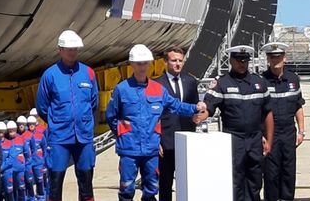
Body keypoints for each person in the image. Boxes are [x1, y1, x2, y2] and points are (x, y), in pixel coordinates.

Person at [106, 44, 205, 201]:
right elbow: (111, 116)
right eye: (139, 63)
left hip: (151, 150)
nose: (142, 67)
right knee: (126, 189)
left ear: (150, 64)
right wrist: (122, 135)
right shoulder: (122, 89)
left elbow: (176, 106)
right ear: (132, 64)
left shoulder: (157, 89)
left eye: (145, 63)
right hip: (129, 151)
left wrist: (195, 107)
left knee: (151, 190)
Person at [202, 45, 274, 201]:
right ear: (231, 60)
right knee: (235, 181)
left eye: (245, 60)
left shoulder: (260, 83)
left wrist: (269, 140)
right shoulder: (222, 83)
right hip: (233, 140)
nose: (242, 63)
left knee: (255, 181)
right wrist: (201, 114)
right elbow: (209, 107)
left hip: (255, 139)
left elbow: (267, 112)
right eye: (238, 60)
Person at [36, 30, 97, 201]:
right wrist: (58, 121)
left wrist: (81, 120)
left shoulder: (88, 73)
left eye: (75, 49)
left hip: (83, 137)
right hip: (59, 138)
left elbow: (94, 103)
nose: (72, 52)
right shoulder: (50, 75)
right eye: (69, 49)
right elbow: (42, 106)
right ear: (60, 50)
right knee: (55, 183)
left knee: (86, 182)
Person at [260, 42, 305, 201]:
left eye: (278, 56)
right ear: (268, 59)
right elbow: (258, 111)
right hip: (270, 135)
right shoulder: (262, 81)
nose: (275, 60)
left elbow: (298, 107)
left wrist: (301, 131)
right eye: (272, 57)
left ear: (284, 58)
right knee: (271, 174)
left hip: (288, 134)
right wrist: (261, 135)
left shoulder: (293, 79)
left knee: (288, 172)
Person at [153, 46, 198, 201]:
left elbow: (194, 108)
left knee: (187, 181)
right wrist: (156, 139)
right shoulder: (157, 84)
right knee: (165, 184)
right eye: (174, 60)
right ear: (166, 62)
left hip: (187, 140)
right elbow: (154, 116)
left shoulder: (191, 82)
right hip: (166, 142)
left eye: (180, 60)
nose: (178, 64)